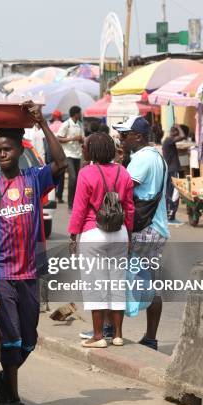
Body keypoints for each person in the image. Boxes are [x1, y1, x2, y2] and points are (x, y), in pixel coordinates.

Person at [0, 103, 67, 405]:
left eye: (7, 149)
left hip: (29, 273)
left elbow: (61, 164)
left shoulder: (34, 180)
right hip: (0, 275)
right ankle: (11, 397)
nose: (2, 154)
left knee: (28, 341)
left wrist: (43, 124)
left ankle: (3, 377)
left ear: (19, 151)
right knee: (9, 337)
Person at [68, 132, 134, 348]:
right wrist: (129, 235)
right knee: (117, 283)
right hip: (120, 233)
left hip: (92, 233)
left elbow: (79, 209)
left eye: (86, 146)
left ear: (93, 151)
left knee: (95, 285)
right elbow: (130, 208)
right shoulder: (123, 173)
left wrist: (73, 235)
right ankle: (117, 335)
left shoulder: (86, 173)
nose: (84, 149)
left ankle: (98, 336)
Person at [116, 115, 169, 351]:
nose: (121, 139)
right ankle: (150, 337)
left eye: (124, 135)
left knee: (118, 278)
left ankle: (109, 330)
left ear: (137, 136)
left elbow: (124, 192)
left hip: (142, 228)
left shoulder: (141, 160)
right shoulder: (157, 156)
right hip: (156, 227)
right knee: (151, 283)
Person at [56, 106, 84, 210]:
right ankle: (70, 204)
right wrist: (72, 138)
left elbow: (81, 139)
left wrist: (81, 140)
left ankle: (75, 202)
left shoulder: (80, 124)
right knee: (72, 178)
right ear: (76, 114)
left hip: (78, 154)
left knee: (77, 180)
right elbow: (58, 137)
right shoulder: (66, 124)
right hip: (68, 154)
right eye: (80, 113)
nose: (81, 114)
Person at [162, 125, 188, 222]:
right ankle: (171, 213)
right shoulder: (169, 140)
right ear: (174, 133)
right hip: (173, 170)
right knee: (174, 193)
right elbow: (183, 136)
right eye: (176, 133)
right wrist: (179, 128)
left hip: (170, 170)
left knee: (169, 192)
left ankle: (169, 212)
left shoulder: (168, 141)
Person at [49, 110, 64, 202]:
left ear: (53, 117)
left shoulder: (50, 126)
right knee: (61, 175)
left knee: (51, 173)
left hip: (51, 153)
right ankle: (60, 196)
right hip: (61, 153)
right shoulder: (63, 125)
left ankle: (52, 195)